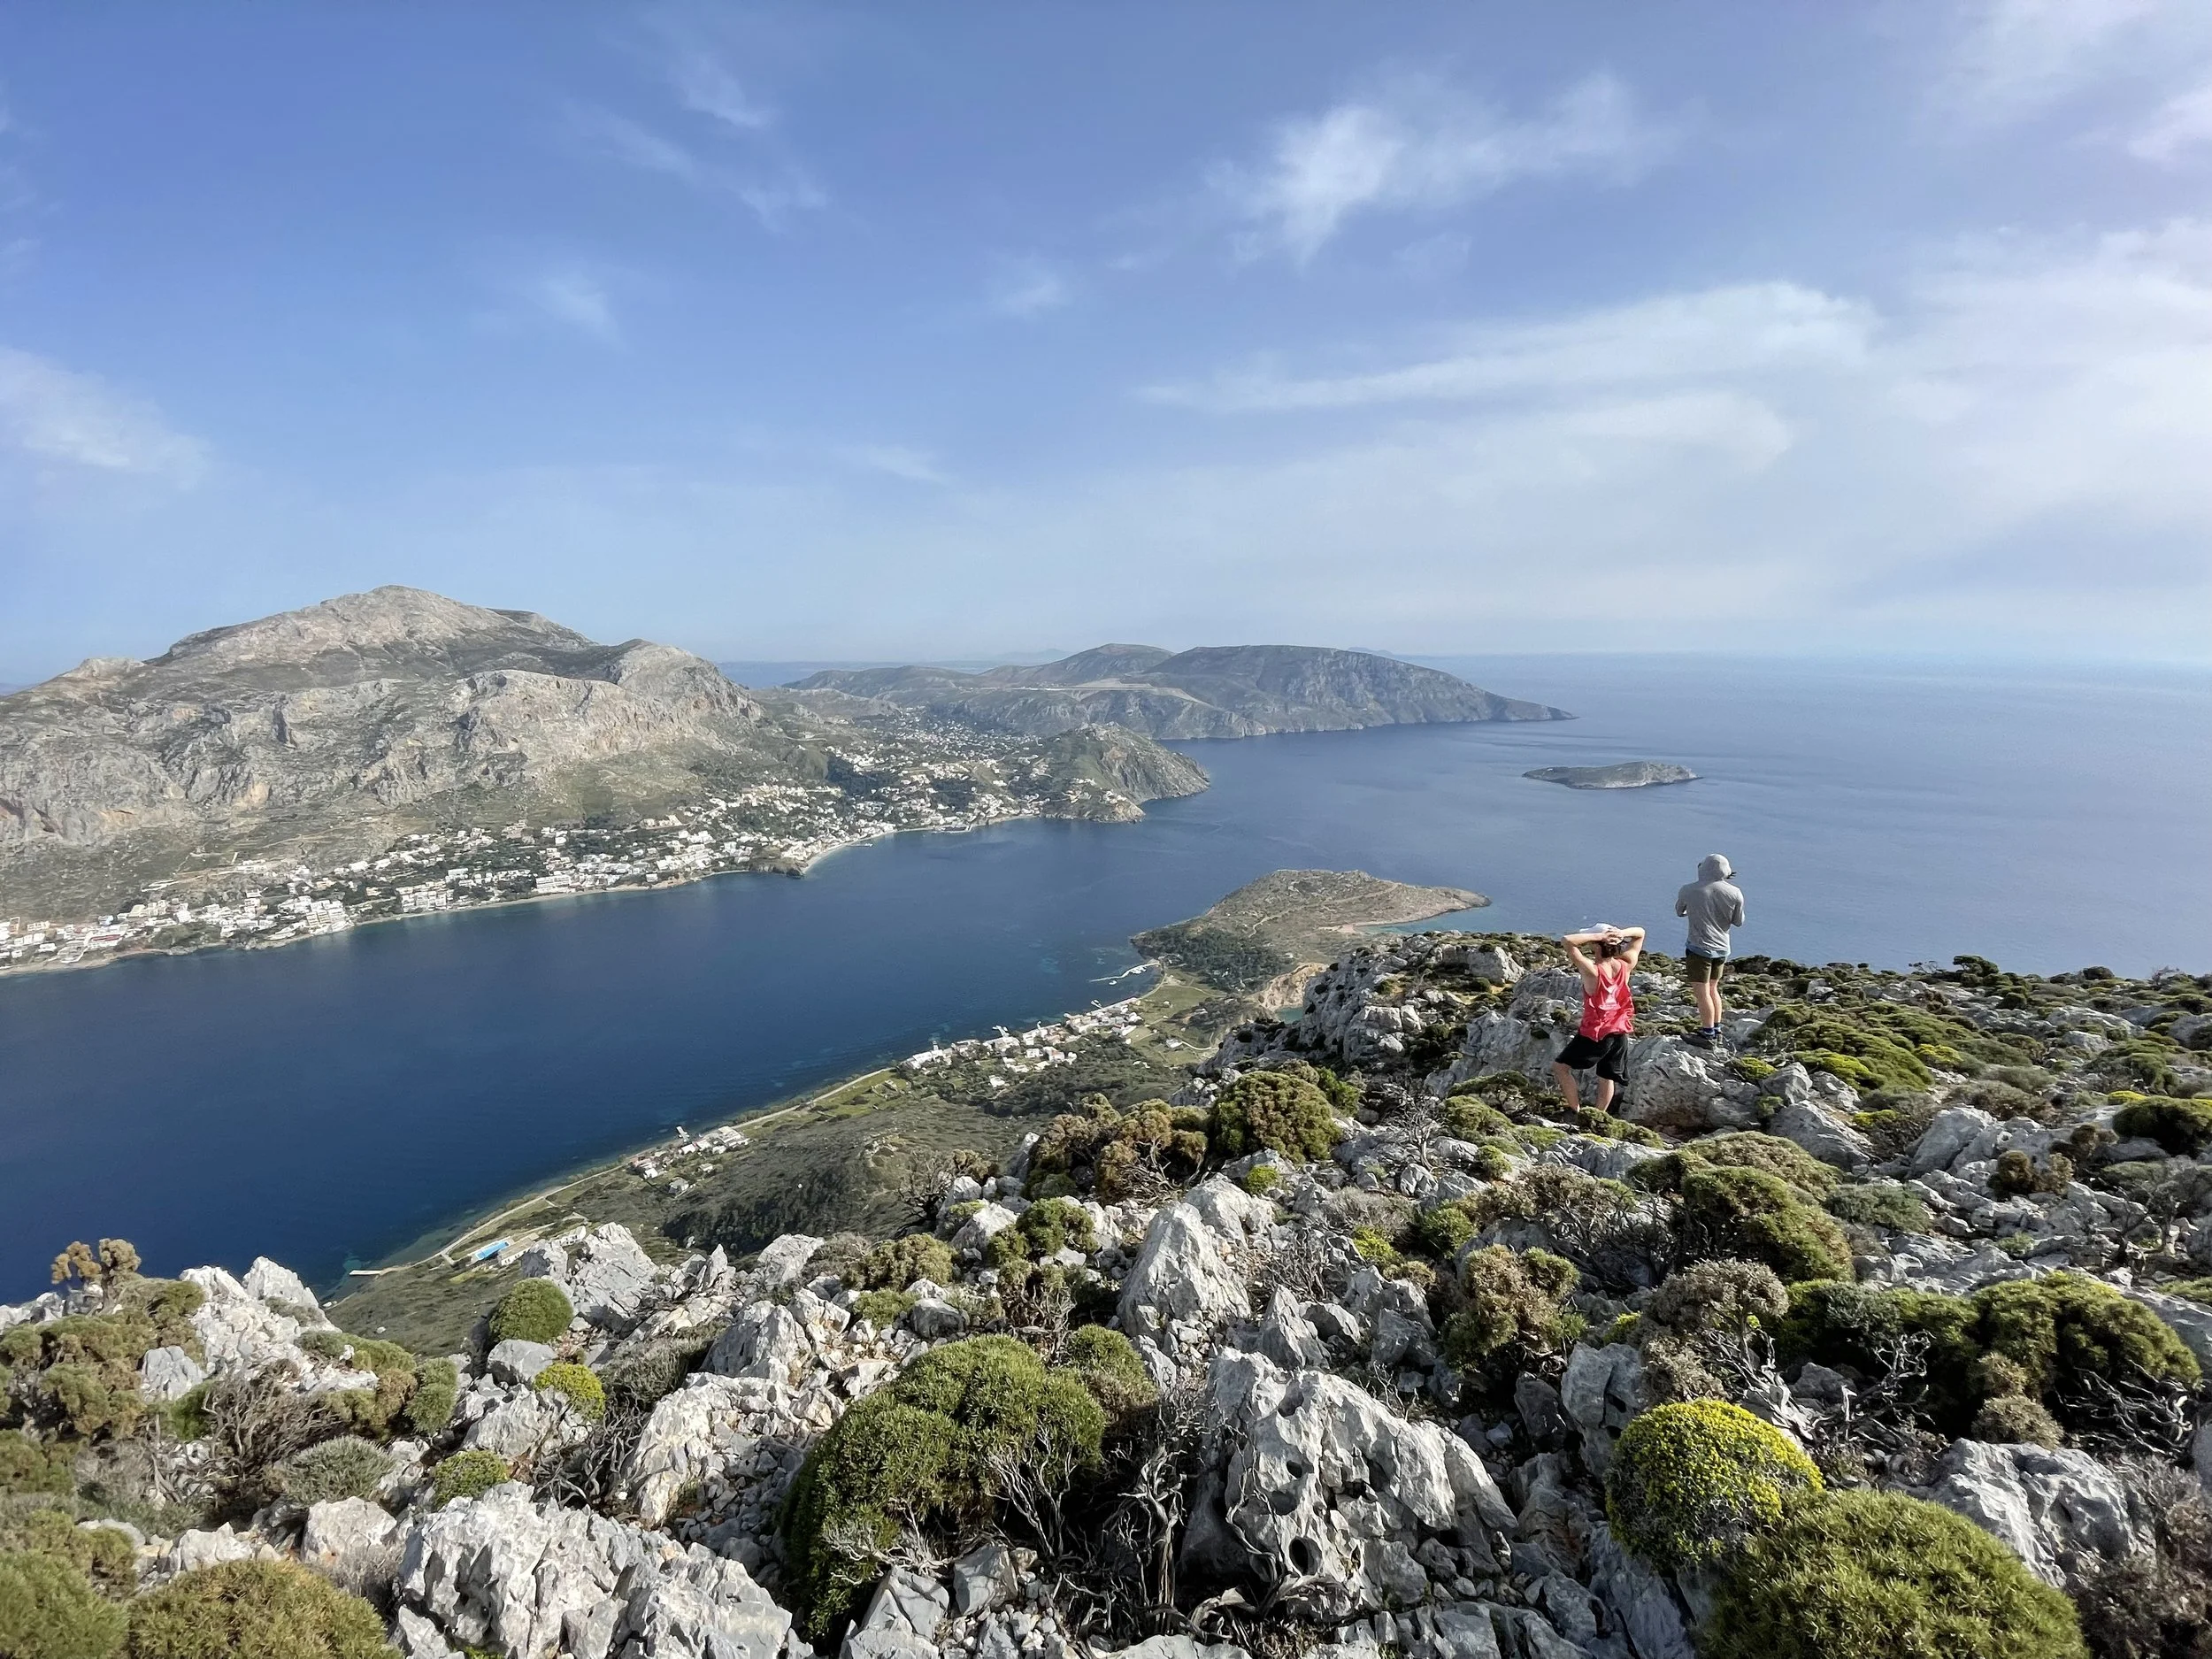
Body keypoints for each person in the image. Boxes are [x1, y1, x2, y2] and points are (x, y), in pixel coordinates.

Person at [1554, 924, 1644, 1115]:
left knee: (1561, 1068)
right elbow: (1640, 934)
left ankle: (1575, 1111)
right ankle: (1598, 1116)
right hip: (1620, 1031)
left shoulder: (1592, 971)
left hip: (1596, 1032)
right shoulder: (1625, 965)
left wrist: (1600, 936)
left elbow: (1567, 941)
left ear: (1596, 945)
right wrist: (1620, 934)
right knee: (1606, 1076)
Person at [1676, 853, 1746, 1046]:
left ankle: (1707, 1035)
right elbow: (1738, 921)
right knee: (1713, 988)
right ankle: (1716, 1029)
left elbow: (1679, 911)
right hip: (1723, 948)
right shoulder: (1735, 893)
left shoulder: (1689, 889)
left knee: (1701, 991)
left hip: (1699, 947)